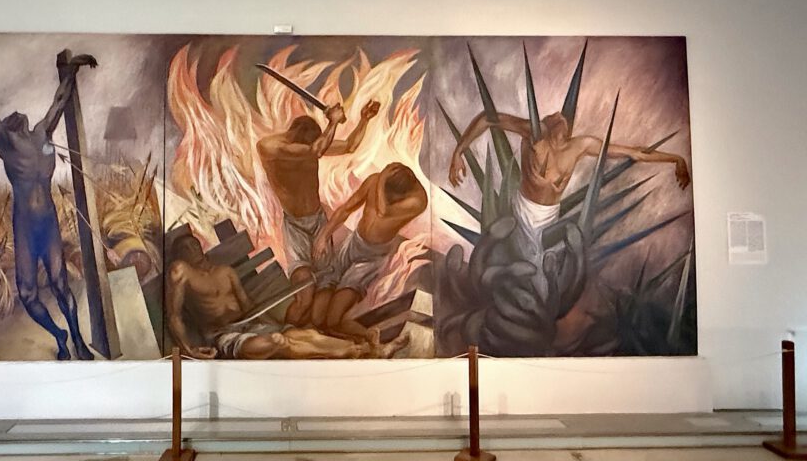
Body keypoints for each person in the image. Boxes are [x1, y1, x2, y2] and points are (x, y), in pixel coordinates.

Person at [0, 53, 97, 361]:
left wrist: (72, 71)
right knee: (28, 294)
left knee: (60, 285)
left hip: (47, 222)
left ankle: (77, 339)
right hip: (26, 227)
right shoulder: (6, 140)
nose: (16, 114)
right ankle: (59, 335)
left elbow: (59, 101)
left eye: (19, 114)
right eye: (11, 117)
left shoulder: (42, 132)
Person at [448, 110, 691, 266]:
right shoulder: (533, 132)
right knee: (513, 264)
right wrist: (459, 152)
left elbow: (635, 153)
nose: (559, 115)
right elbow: (487, 118)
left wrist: (676, 159)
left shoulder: (580, 146)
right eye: (554, 117)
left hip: (549, 219)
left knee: (544, 268)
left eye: (563, 118)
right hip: (521, 213)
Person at [166, 235, 408, 359]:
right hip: (225, 336)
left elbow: (248, 306)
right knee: (280, 342)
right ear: (179, 256)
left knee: (307, 335)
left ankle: (373, 350)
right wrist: (189, 349)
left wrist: (277, 325)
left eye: (194, 245)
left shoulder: (225, 272)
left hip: (251, 325)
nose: (192, 250)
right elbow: (174, 316)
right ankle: (356, 352)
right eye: (185, 249)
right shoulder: (180, 270)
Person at [257, 100, 381, 328]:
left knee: (324, 288)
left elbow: (349, 146)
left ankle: (313, 335)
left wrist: (364, 120)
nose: (315, 149)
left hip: (318, 222)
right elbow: (316, 149)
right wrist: (332, 122)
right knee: (304, 296)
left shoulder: (310, 149)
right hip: (295, 228)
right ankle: (288, 336)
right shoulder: (269, 147)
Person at [312, 163, 428, 343]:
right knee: (317, 318)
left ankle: (369, 336)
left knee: (333, 320)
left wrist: (382, 178)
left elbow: (383, 211)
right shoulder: (375, 180)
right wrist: (324, 235)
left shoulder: (417, 201)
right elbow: (346, 208)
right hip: (353, 243)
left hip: (371, 258)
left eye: (394, 197)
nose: (389, 198)